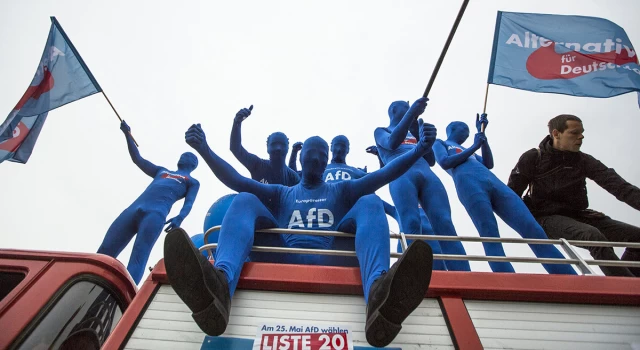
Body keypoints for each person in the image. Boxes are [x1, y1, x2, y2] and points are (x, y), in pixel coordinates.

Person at [164, 117, 438, 347]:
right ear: (303, 157)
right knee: (245, 198)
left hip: (332, 254)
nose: (317, 157)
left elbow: (384, 175)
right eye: (311, 152)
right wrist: (205, 150)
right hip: (284, 254)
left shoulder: (341, 189)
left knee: (370, 201)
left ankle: (380, 295)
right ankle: (219, 285)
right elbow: (236, 180)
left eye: (322, 154)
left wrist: (417, 150)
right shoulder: (282, 193)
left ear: (327, 160)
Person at [433, 114, 575, 274]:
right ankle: (507, 277)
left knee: (533, 228)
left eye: (468, 131)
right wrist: (474, 146)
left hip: (494, 182)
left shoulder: (469, 151)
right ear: (452, 128)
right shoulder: (441, 143)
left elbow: (488, 163)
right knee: (490, 233)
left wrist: (483, 138)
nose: (466, 133)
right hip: (469, 185)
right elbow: (445, 162)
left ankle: (567, 275)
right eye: (463, 128)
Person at [508, 114, 640, 277]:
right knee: (592, 236)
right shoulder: (533, 157)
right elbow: (511, 195)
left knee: (638, 238)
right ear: (556, 134)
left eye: (582, 132)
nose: (581, 136)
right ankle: (625, 287)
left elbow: (619, 187)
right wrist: (527, 226)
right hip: (546, 217)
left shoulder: (583, 160)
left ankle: (632, 282)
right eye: (574, 133)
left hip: (579, 215)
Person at [97, 121, 200, 283]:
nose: (184, 156)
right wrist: (127, 135)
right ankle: (94, 277)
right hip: (133, 209)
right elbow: (138, 159)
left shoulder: (191, 181)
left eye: (189, 156)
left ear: (194, 164)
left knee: (139, 255)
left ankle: (127, 292)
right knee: (105, 249)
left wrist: (180, 217)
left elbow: (189, 203)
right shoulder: (162, 171)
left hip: (155, 215)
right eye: (183, 154)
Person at [374, 98, 469, 271]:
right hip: (402, 176)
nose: (409, 109)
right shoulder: (381, 131)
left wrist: (426, 139)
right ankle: (415, 272)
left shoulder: (412, 133)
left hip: (427, 174)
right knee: (410, 222)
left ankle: (463, 274)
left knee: (445, 223)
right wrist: (412, 114)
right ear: (394, 110)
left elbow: (431, 160)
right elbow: (392, 143)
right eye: (406, 107)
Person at [366, 145, 464, 271]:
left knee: (442, 276)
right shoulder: (398, 210)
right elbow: (380, 197)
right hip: (410, 245)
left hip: (436, 248)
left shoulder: (429, 208)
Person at [230, 105, 300, 187]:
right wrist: (237, 123)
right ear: (267, 148)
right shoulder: (258, 165)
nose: (278, 148)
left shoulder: (293, 178)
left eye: (282, 145)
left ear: (288, 148)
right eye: (274, 145)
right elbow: (236, 149)